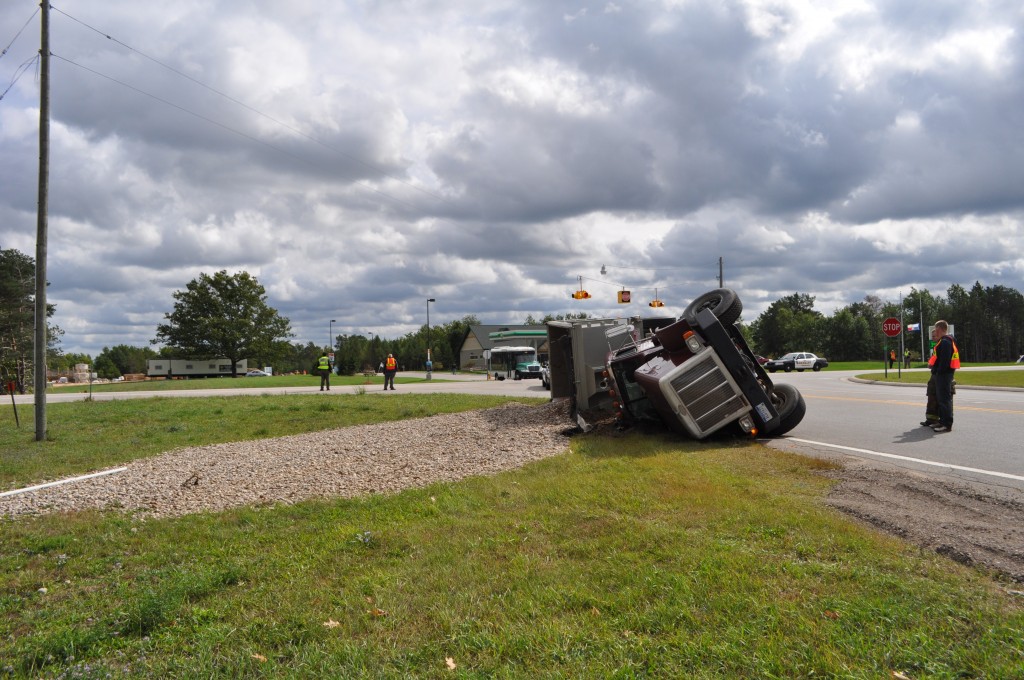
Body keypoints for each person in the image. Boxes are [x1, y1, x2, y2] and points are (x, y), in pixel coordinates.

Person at [928, 320, 960, 433]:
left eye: (936, 329)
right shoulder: (944, 341)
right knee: (941, 400)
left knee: (945, 400)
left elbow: (944, 361)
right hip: (942, 374)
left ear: (939, 329)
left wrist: (937, 371)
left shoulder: (946, 342)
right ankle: (942, 421)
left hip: (944, 375)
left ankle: (947, 424)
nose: (935, 332)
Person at [920, 327, 941, 428]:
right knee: (931, 398)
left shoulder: (942, 346)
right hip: (934, 375)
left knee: (938, 399)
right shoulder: (936, 347)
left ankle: (938, 420)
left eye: (935, 336)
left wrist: (932, 365)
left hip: (939, 376)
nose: (933, 338)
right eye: (932, 336)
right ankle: (930, 420)